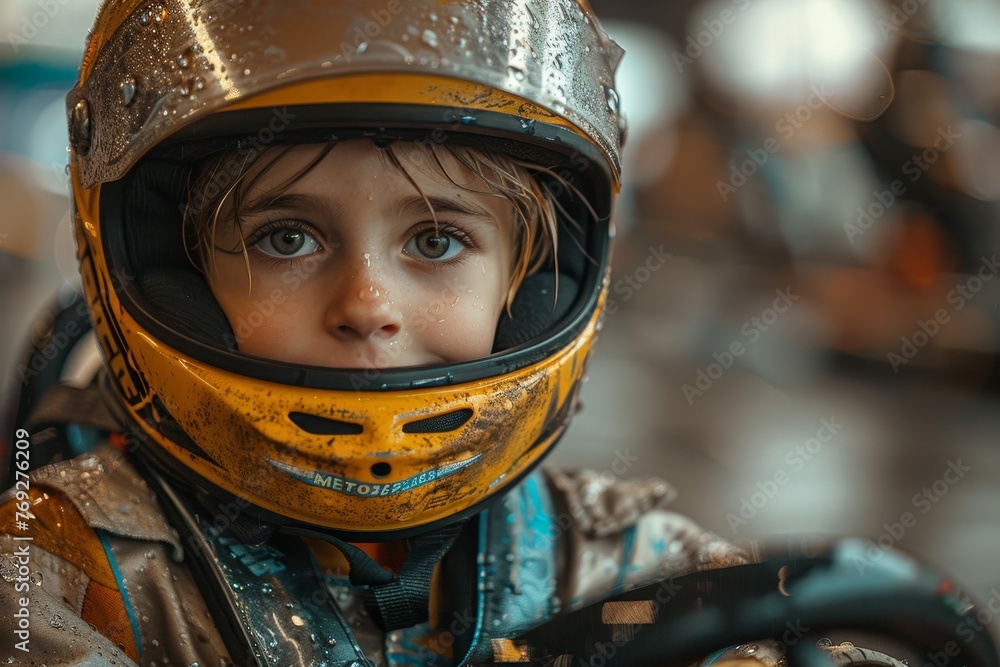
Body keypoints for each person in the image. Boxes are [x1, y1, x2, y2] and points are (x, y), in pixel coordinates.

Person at [0, 1, 929, 666]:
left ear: (530, 282)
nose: (367, 302)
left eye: (436, 240)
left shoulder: (608, 550)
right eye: (287, 237)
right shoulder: (54, 568)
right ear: (175, 272)